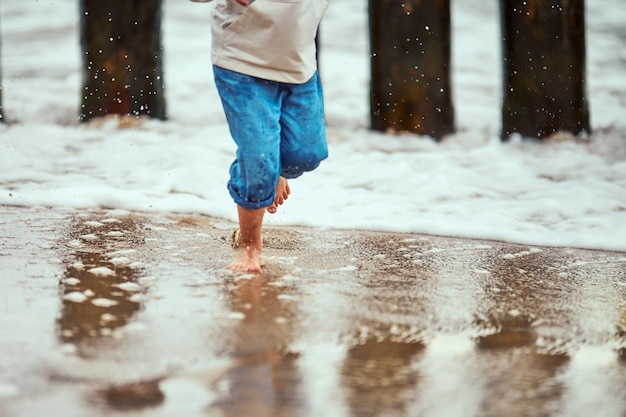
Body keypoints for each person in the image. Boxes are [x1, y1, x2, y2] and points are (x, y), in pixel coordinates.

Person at [195, 0, 330, 272]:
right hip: (242, 62)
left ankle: (271, 169)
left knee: (306, 154)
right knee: (258, 160)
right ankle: (249, 245)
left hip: (298, 64)